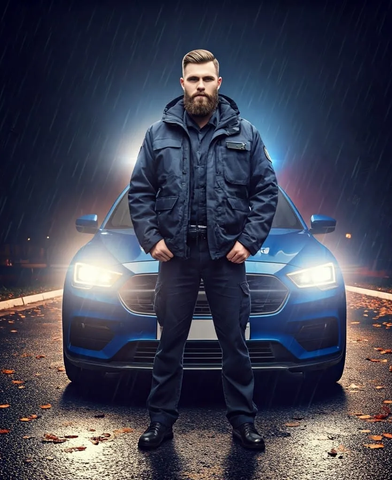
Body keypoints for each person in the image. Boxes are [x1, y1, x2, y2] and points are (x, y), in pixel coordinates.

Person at [128, 49, 278, 450]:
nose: (199, 86)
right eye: (192, 79)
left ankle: (243, 421)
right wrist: (152, 239)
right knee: (169, 345)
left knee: (234, 343)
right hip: (175, 255)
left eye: (206, 79)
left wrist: (248, 241)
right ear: (182, 84)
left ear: (218, 83)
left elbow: (266, 191)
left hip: (225, 256)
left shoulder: (245, 133)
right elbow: (139, 191)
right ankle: (160, 421)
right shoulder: (157, 134)